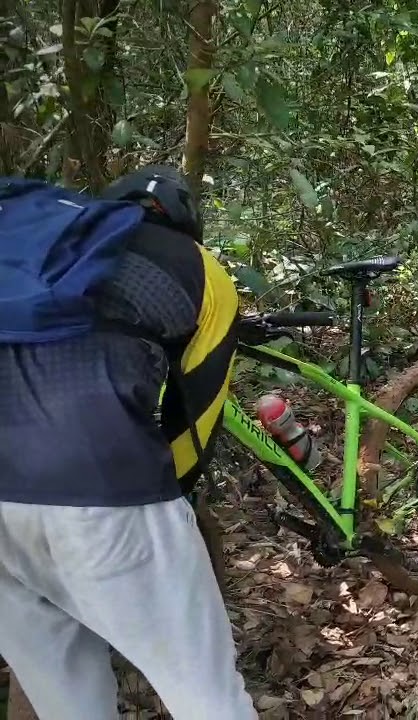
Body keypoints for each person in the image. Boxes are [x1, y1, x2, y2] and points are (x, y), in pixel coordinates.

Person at [0, 167, 256, 717]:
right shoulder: (199, 268)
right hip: (100, 486)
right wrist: (170, 510)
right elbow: (197, 418)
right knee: (205, 696)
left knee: (69, 705)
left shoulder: (39, 252)